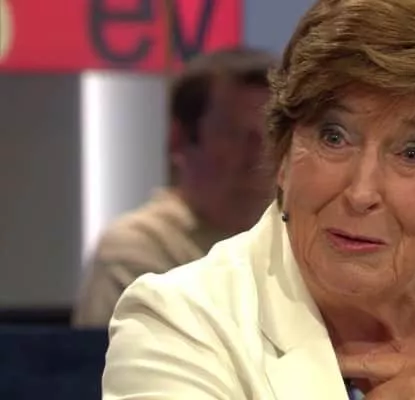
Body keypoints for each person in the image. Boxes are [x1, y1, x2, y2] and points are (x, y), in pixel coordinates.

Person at [102, 1, 415, 399]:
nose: (360, 193)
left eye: (414, 153)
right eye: (334, 136)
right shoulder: (181, 322)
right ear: (284, 156)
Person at [72, 48, 277, 327]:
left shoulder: (297, 242)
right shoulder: (136, 249)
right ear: (179, 140)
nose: (258, 157)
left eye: (272, 135)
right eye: (235, 134)